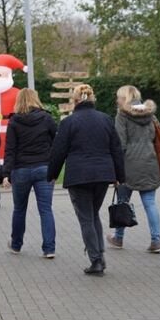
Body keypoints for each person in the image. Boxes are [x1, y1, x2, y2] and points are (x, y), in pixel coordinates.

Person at [48, 84, 125, 276]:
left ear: (74, 100)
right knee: (93, 215)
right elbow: (116, 148)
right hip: (103, 175)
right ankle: (100, 255)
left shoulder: (69, 122)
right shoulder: (105, 119)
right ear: (92, 99)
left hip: (79, 176)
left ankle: (96, 260)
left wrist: (52, 174)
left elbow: (58, 151)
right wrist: (119, 176)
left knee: (86, 219)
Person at [105, 86, 160, 254]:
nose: (117, 101)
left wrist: (115, 168)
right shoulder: (150, 114)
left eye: (118, 97)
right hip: (150, 161)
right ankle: (156, 240)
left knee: (122, 201)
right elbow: (154, 136)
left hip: (128, 164)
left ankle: (119, 237)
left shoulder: (122, 115)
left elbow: (120, 143)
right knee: (150, 203)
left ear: (125, 98)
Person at [3, 88, 57, 258]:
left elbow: (10, 149)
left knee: (19, 209)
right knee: (46, 209)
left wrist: (6, 174)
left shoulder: (14, 121)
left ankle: (16, 245)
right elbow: (56, 143)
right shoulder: (47, 118)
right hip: (44, 168)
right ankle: (49, 248)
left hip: (21, 169)